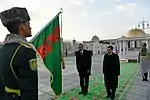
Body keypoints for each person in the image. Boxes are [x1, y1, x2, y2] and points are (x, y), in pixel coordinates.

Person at [0, 7, 56, 100]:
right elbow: (29, 90)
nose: (30, 27)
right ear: (22, 26)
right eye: (28, 23)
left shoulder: (3, 49)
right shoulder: (25, 51)